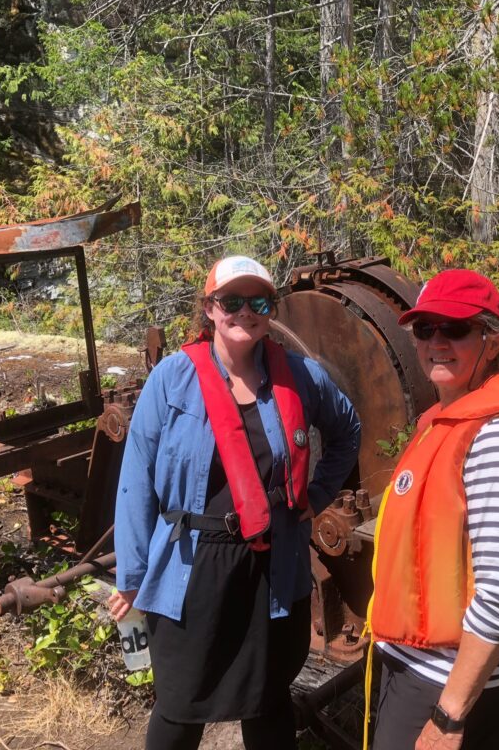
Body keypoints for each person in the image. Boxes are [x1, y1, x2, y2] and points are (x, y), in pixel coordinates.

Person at [109, 255, 361, 750]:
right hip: (191, 567)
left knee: (267, 702)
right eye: (231, 301)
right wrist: (133, 579)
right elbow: (135, 480)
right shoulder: (172, 379)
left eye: (259, 301)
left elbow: (347, 430)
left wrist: (315, 495)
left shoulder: (301, 376)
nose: (245, 312)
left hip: (271, 567)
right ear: (209, 308)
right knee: (180, 707)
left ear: (271, 309)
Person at [366, 269, 499, 750]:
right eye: (424, 329)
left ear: (492, 341)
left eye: (454, 329)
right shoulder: (442, 422)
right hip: (414, 664)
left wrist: (449, 716)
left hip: (444, 686)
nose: (437, 342)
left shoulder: (498, 439)